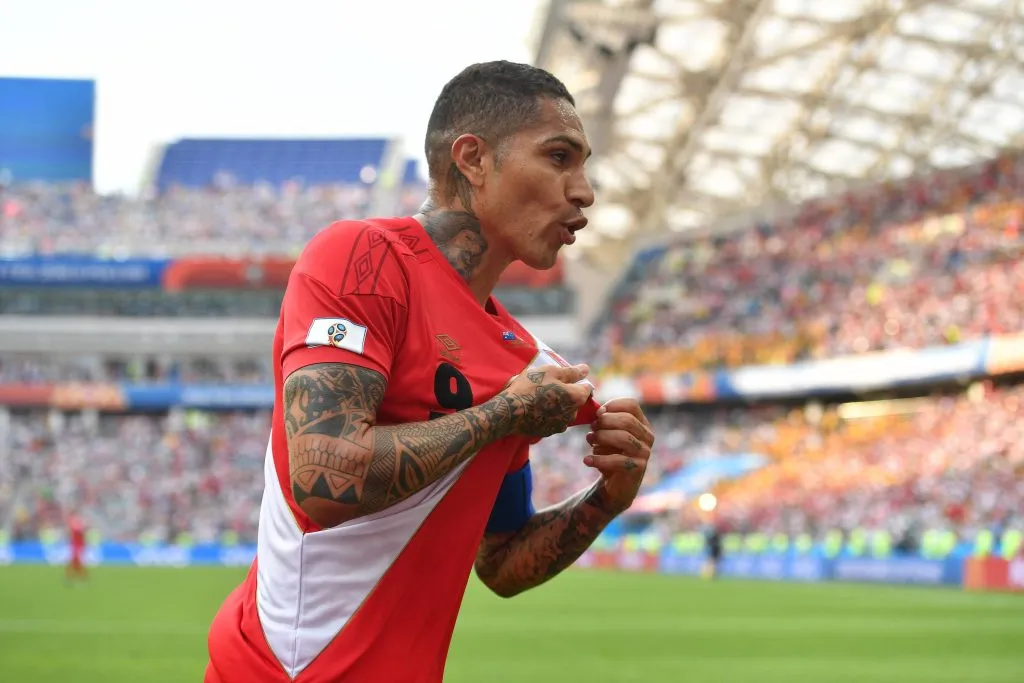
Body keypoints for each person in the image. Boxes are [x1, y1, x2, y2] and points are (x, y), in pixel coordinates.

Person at [205, 60, 656, 683]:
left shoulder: (523, 360)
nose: (584, 191)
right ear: (471, 158)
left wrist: (606, 498)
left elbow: (501, 562)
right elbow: (323, 475)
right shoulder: (361, 258)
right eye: (559, 157)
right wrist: (504, 415)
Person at [65, 512, 88, 585]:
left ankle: (79, 578)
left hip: (78, 547)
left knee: (76, 564)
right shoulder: (75, 527)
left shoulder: (79, 527)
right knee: (74, 563)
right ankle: (73, 578)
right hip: (75, 546)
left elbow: (82, 536)